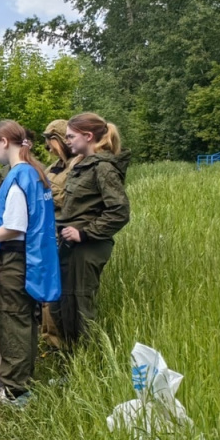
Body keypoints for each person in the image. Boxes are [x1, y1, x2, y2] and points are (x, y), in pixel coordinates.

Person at [0, 121, 61, 409]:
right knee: (23, 322)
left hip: (12, 259)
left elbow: (14, 225)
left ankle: (14, 391)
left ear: (4, 141)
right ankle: (22, 384)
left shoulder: (18, 174)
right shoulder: (34, 171)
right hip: (28, 257)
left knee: (11, 323)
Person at [55, 113, 130, 346]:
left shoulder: (103, 167)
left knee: (80, 309)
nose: (67, 141)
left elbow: (119, 211)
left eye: (71, 136)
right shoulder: (81, 165)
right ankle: (72, 365)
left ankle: (89, 365)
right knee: (64, 306)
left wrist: (84, 233)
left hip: (88, 248)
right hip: (72, 248)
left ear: (88, 136)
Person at [40, 119, 77, 349]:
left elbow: (68, 198)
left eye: (51, 141)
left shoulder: (78, 165)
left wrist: (44, 196)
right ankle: (50, 341)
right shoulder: (54, 167)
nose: (48, 147)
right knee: (47, 293)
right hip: (48, 234)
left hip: (66, 236)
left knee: (62, 294)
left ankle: (63, 345)